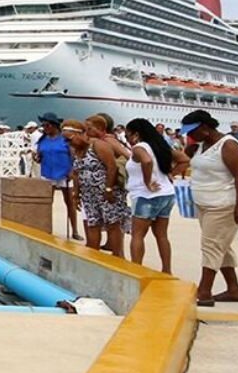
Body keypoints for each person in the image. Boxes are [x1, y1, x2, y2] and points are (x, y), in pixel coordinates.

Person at [181, 109, 238, 306]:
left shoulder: (229, 146)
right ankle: (234, 289)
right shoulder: (201, 145)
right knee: (220, 245)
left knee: (211, 246)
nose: (189, 135)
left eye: (192, 131)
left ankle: (204, 291)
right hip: (205, 203)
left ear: (205, 127)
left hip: (225, 204)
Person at [124, 118, 189, 274]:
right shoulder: (159, 146)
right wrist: (171, 174)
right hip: (166, 194)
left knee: (137, 235)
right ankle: (167, 270)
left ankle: (136, 270)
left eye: (128, 135)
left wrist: (148, 182)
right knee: (161, 235)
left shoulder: (139, 147)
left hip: (146, 196)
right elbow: (185, 160)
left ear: (136, 134)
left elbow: (146, 161)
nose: (127, 139)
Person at [67, 118, 130, 257]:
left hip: (107, 193)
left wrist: (108, 189)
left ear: (80, 134)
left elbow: (112, 167)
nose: (67, 143)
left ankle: (118, 257)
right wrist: (76, 193)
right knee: (92, 223)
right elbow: (76, 173)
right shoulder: (77, 150)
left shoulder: (98, 145)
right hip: (89, 195)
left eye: (69, 139)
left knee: (112, 224)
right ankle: (94, 257)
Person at [33, 112, 80, 240]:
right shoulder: (42, 140)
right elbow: (39, 156)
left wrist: (71, 170)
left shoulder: (65, 139)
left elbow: (73, 156)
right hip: (48, 173)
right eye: (43, 125)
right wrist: (37, 158)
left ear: (54, 125)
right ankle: (46, 227)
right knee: (47, 202)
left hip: (64, 173)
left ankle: (75, 230)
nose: (45, 128)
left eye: (47, 125)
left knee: (70, 202)